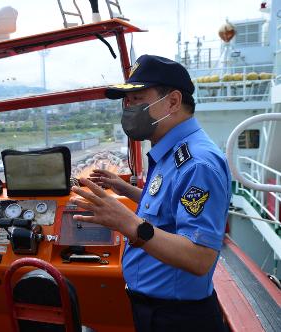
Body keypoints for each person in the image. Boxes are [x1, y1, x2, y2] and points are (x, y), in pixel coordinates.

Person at [71, 55, 231, 332]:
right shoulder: (171, 152)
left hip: (178, 318)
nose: (129, 108)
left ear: (172, 102)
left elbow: (200, 258)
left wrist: (129, 224)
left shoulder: (197, 163)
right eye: (127, 101)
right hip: (153, 308)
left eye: (138, 99)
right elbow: (168, 206)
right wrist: (126, 189)